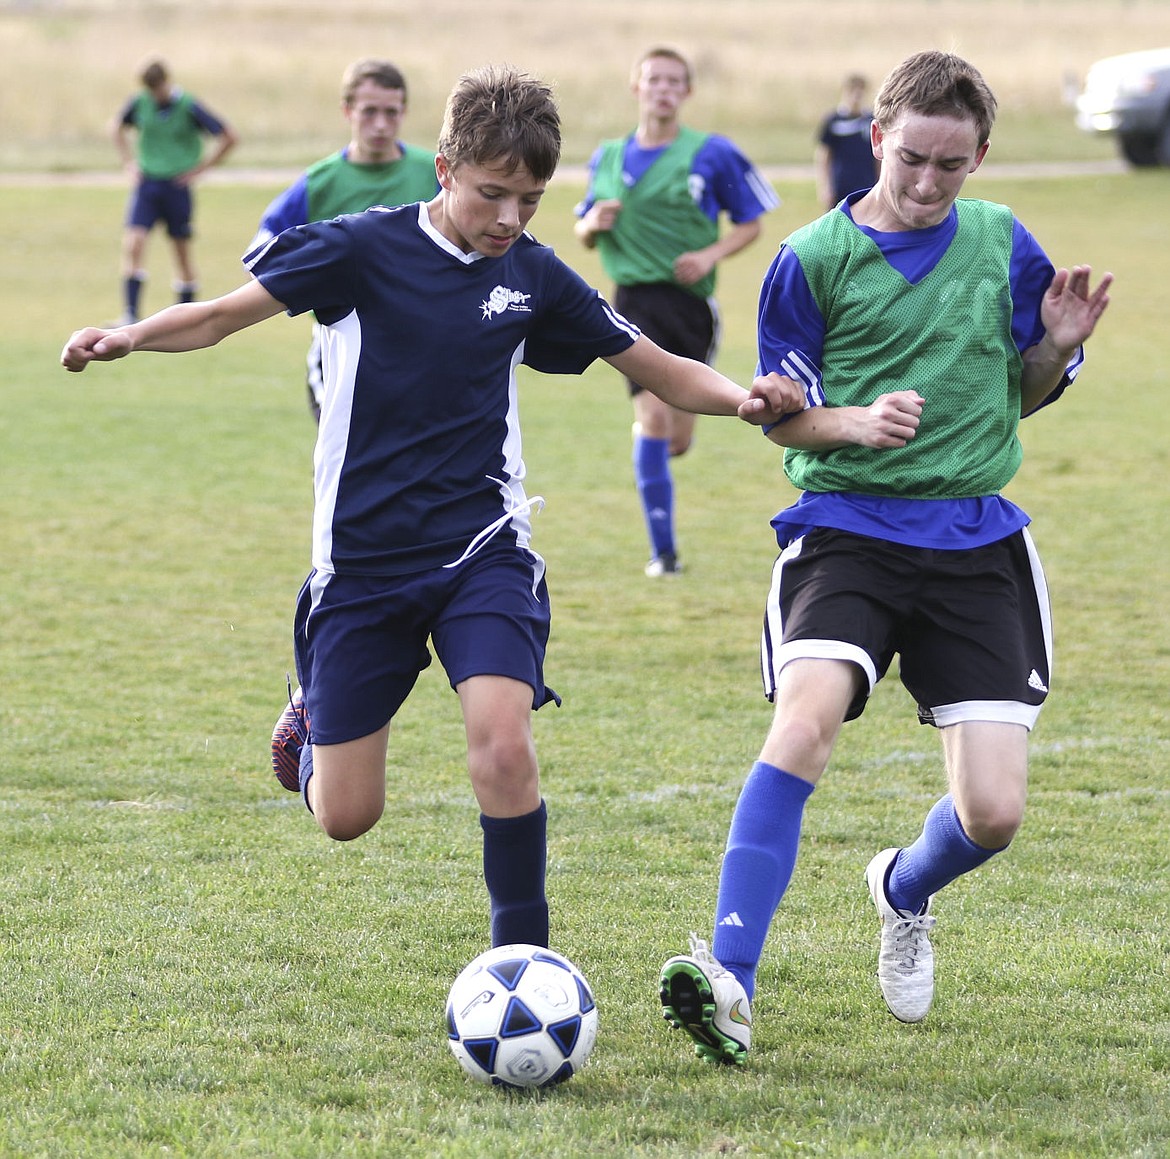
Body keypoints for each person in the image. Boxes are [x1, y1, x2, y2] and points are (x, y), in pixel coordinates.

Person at [62, 66, 802, 954]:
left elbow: (650, 361)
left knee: (503, 742)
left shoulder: (530, 273)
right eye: (493, 193)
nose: (509, 218)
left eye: (529, 199)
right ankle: (311, 710)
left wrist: (743, 399)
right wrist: (130, 336)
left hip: (480, 549)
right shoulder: (358, 249)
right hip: (364, 564)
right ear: (445, 168)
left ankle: (520, 953)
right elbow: (223, 314)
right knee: (345, 814)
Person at [658, 50, 1112, 1065]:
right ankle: (731, 977)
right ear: (877, 139)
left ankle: (903, 889)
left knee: (993, 811)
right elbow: (785, 421)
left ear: (980, 157)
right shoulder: (811, 258)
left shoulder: (1002, 243)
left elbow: (1027, 390)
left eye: (953, 165)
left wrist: (1053, 346)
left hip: (975, 537)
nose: (928, 182)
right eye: (913, 158)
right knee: (806, 720)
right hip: (847, 531)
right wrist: (851, 423)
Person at [574, 46, 780, 577]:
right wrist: (593, 223)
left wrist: (708, 255)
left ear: (686, 92)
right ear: (635, 87)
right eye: (653, 80)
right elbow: (584, 233)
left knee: (677, 439)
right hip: (632, 302)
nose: (662, 89)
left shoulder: (712, 153)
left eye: (673, 81)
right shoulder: (609, 157)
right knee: (655, 416)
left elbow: (751, 221)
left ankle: (651, 463)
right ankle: (663, 555)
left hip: (691, 307)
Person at [247, 58, 439, 421]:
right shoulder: (319, 183)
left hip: (421, 343)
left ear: (404, 111)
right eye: (369, 112)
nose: (381, 124)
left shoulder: (434, 174)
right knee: (346, 462)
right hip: (339, 348)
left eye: (391, 112)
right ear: (347, 110)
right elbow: (261, 254)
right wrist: (316, 285)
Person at [111, 57, 238, 324]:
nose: (155, 94)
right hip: (147, 184)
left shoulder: (188, 106)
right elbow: (116, 127)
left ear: (167, 82)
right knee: (134, 243)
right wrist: (128, 163)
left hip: (176, 186)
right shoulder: (140, 103)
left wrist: (201, 169)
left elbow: (228, 136)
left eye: (158, 88)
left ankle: (185, 317)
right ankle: (130, 313)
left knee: (181, 251)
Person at [814, 72, 879, 212]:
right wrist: (825, 187)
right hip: (840, 186)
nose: (856, 95)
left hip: (866, 184)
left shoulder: (871, 120)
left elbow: (879, 156)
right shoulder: (833, 121)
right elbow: (824, 156)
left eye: (860, 90)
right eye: (852, 90)